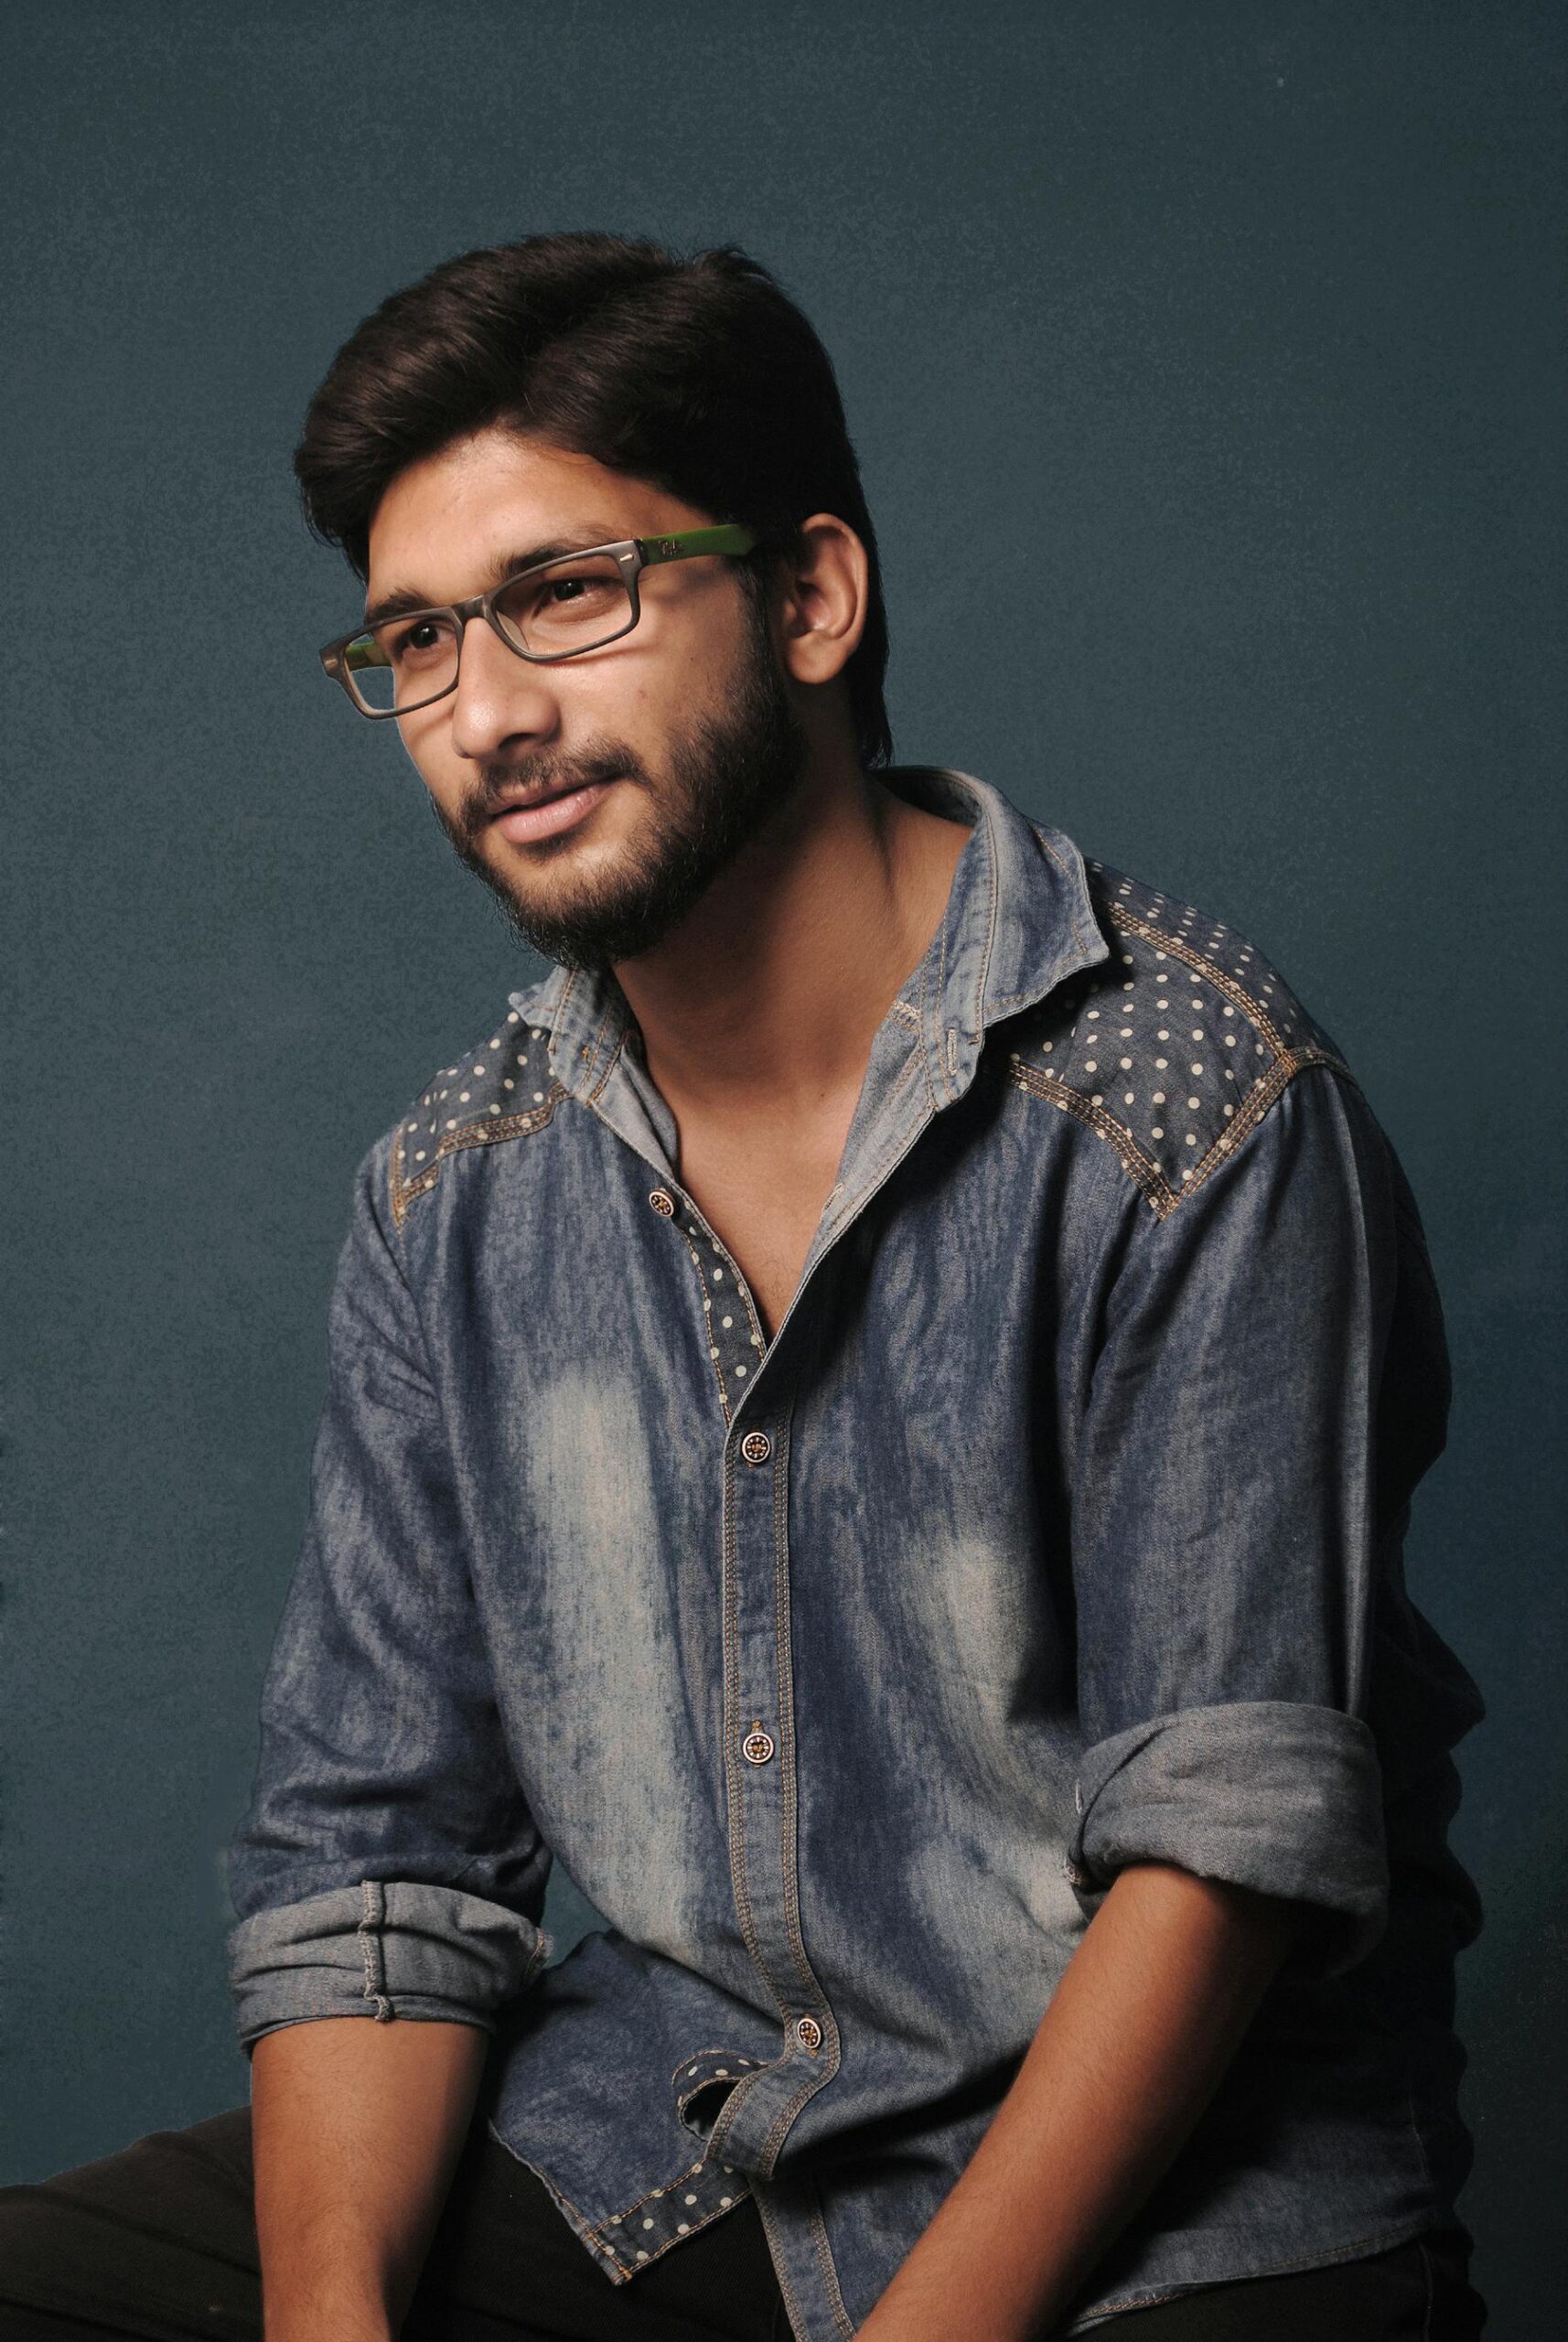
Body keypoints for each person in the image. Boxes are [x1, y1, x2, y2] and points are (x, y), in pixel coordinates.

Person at [0, 232, 1487, 2342]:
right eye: (415, 638)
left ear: (807, 597)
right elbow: (377, 1862)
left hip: (1178, 2211)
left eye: (564, 591)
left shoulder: (1189, 1101)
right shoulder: (452, 1191)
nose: (486, 712)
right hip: (675, 2134)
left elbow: (1215, 1856)